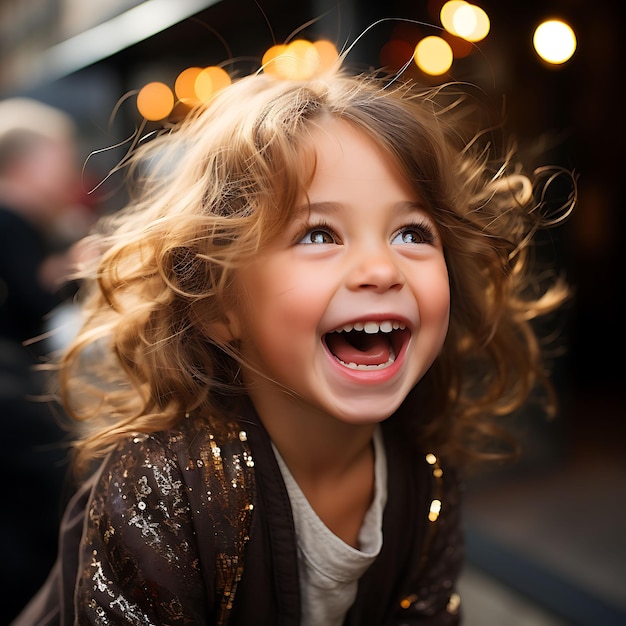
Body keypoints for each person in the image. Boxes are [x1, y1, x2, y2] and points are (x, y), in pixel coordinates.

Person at [12, 47, 574, 626]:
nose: (381, 270)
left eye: (410, 232)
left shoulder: (423, 474)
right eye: (318, 235)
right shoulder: (159, 486)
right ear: (216, 306)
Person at [0, 98, 94, 622]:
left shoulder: (27, 223)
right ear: (27, 163)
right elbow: (36, 300)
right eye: (60, 158)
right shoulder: (10, 222)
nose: (68, 171)